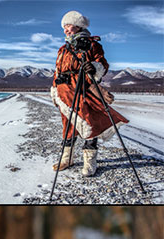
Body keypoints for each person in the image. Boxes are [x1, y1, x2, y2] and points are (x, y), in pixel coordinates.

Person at [51, 10, 128, 177]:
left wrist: (94, 67)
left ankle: (90, 162)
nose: (65, 30)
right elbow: (57, 71)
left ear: (78, 26)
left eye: (68, 26)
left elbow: (103, 64)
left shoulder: (92, 45)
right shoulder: (63, 49)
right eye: (64, 27)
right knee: (68, 126)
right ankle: (67, 158)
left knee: (88, 123)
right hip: (64, 92)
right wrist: (54, 89)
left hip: (83, 89)